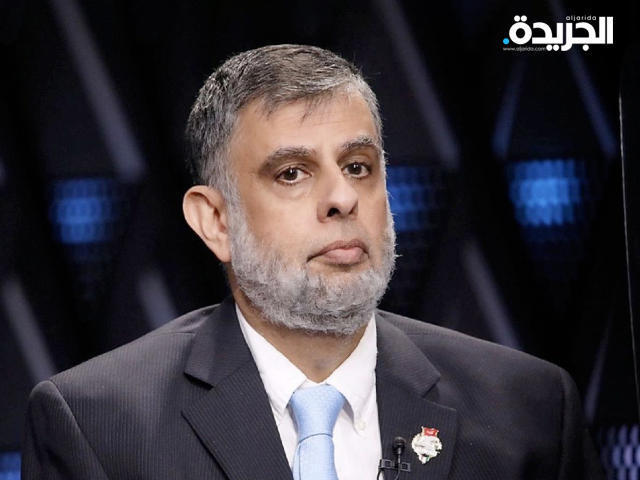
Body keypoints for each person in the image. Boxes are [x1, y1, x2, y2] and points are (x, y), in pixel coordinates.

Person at [21, 44, 604, 479]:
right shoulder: (97, 425)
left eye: (358, 167)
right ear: (215, 221)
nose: (343, 198)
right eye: (292, 173)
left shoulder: (530, 409)